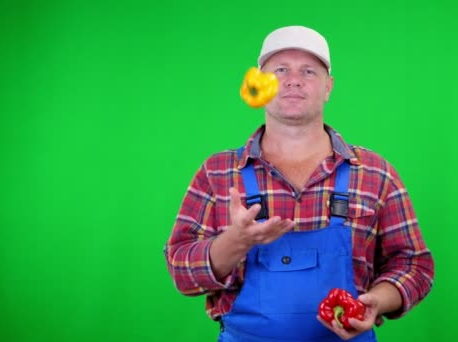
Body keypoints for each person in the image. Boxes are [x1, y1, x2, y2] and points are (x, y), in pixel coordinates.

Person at [164, 25, 434, 341]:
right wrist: (236, 241)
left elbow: (415, 265)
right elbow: (181, 273)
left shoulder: (375, 172)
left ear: (329, 87)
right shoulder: (218, 172)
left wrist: (379, 301)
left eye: (309, 71)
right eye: (280, 70)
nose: (293, 80)